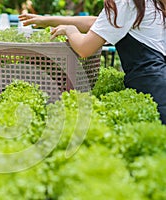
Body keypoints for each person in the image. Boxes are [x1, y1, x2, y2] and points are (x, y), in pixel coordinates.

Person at [19, 0, 166, 124]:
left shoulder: (124, 2)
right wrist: (46, 20)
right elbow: (99, 23)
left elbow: (84, 48)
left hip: (154, 88)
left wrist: (71, 31)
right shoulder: (144, 3)